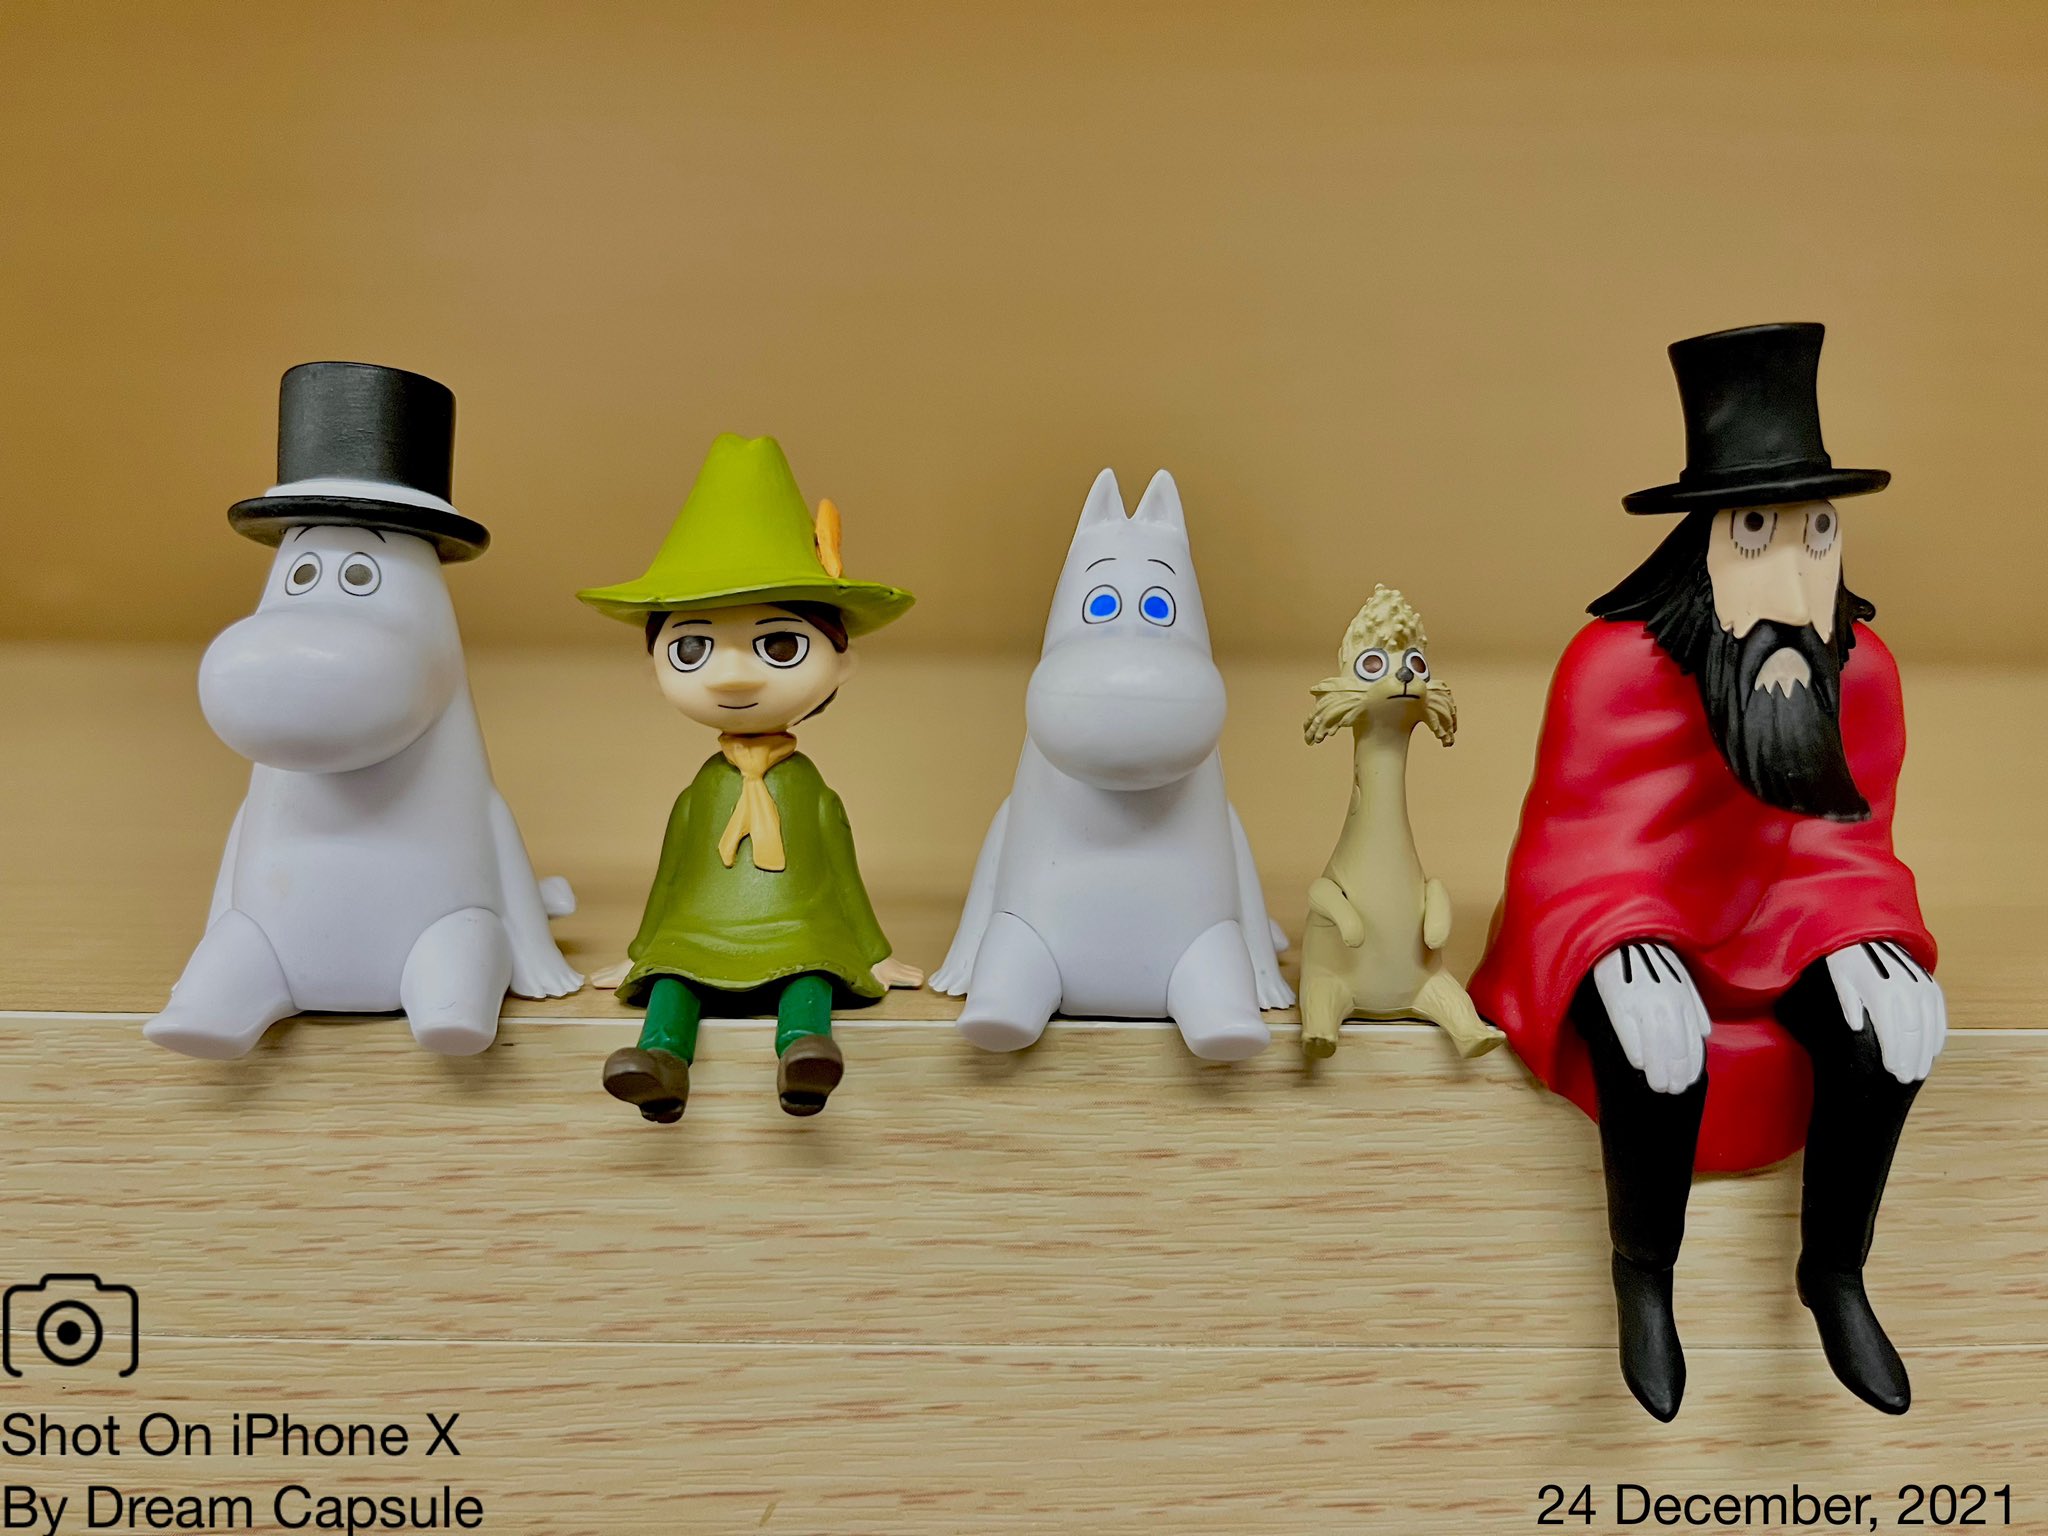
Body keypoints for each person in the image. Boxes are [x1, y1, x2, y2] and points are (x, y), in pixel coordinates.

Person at [1470, 324, 1945, 1420]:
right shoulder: (1609, 666)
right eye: (1759, 533)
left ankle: (1835, 1273)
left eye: (1818, 533)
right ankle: (1643, 1276)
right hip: (1637, 911)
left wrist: (1868, 935)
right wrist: (1616, 941)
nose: (1797, 576)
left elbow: (1850, 839)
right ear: (1704, 546)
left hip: (1794, 918)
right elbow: (1577, 843)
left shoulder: (1861, 670)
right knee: (1653, 1036)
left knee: (1889, 1027)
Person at [578, 434, 920, 1121]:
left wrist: (872, 952)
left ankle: (806, 1054)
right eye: (693, 647)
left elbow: (840, 869)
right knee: (673, 981)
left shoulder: (808, 788)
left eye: (779, 644)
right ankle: (660, 1062)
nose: (733, 675)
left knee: (809, 976)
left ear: (841, 663)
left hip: (802, 928)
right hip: (696, 931)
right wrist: (641, 951)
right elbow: (673, 871)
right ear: (654, 668)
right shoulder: (702, 790)